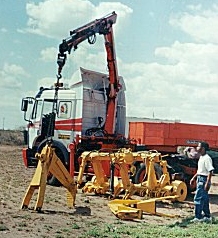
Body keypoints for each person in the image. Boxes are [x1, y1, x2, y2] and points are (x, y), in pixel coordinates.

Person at [190, 141, 214, 222]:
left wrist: (207, 182)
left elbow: (210, 171)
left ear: (203, 148)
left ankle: (198, 217)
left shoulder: (207, 158)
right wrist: (193, 178)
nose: (197, 148)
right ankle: (207, 216)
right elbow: (200, 171)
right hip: (200, 178)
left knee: (198, 198)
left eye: (198, 146)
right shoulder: (201, 157)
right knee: (204, 198)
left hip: (203, 180)